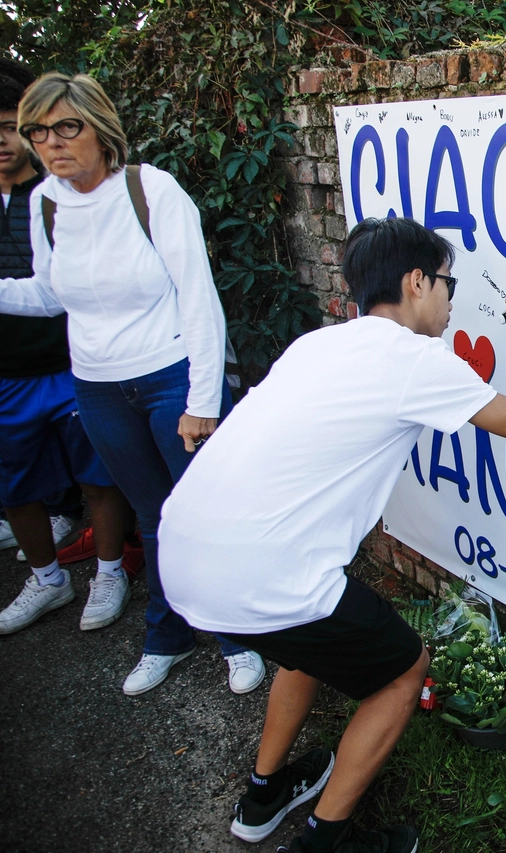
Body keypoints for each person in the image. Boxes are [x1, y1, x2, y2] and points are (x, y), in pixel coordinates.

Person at [158, 217, 506, 853]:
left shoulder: (318, 344)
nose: (452, 300)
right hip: (258, 573)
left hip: (182, 554)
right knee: (404, 672)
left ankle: (264, 796)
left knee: (304, 637)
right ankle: (327, 841)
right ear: (417, 281)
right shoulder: (418, 360)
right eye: (447, 283)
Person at [0, 72, 265, 695]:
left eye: (67, 126)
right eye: (38, 131)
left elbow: (198, 297)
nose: (52, 143)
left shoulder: (150, 190)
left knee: (203, 512)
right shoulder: (46, 205)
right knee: (151, 516)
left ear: (100, 127)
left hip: (172, 376)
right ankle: (167, 635)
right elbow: (48, 294)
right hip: (96, 388)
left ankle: (236, 636)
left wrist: (203, 401)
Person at [0, 59, 137, 636]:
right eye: (35, 131)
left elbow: (56, 292)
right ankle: (48, 579)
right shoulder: (45, 201)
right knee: (16, 485)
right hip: (8, 374)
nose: (20, 142)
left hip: (71, 366)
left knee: (98, 477)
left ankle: (110, 571)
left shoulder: (58, 198)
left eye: (13, 127)